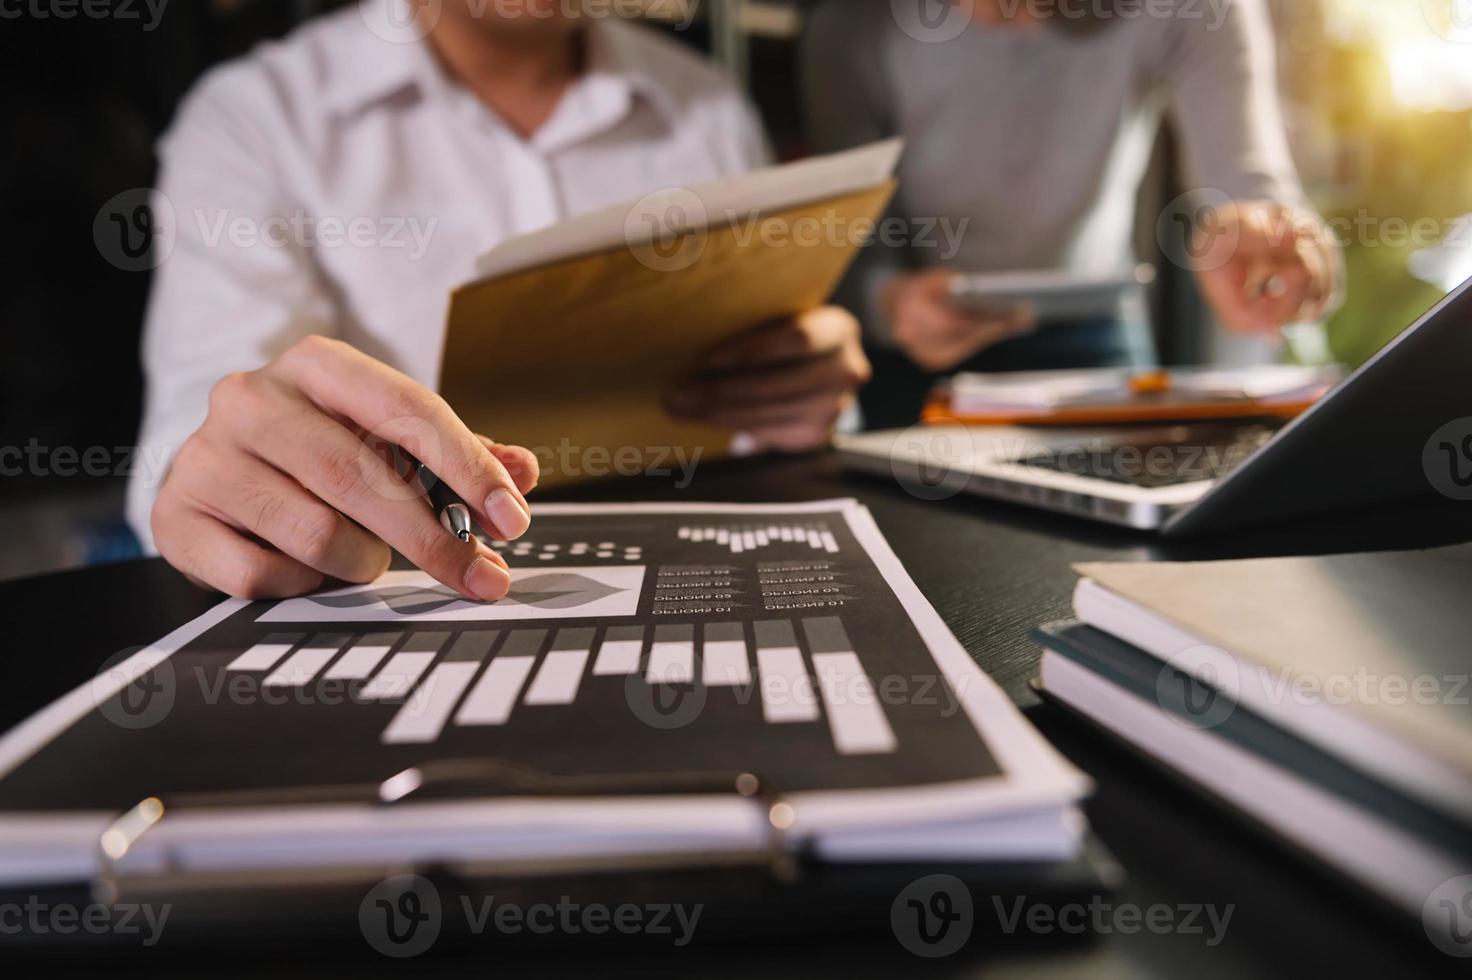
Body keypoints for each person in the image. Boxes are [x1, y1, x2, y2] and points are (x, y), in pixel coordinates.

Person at [128, 0, 870, 601]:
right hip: (395, 599)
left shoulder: (706, 104)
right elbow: (201, 431)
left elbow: (786, 378)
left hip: (709, 564)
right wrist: (217, 484)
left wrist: (808, 382)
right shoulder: (256, 118)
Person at [804, 0, 1341, 428]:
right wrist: (890, 303)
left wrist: (1266, 235)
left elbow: (1247, 182)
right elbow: (845, 249)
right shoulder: (850, 28)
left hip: (1092, 324)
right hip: (910, 351)